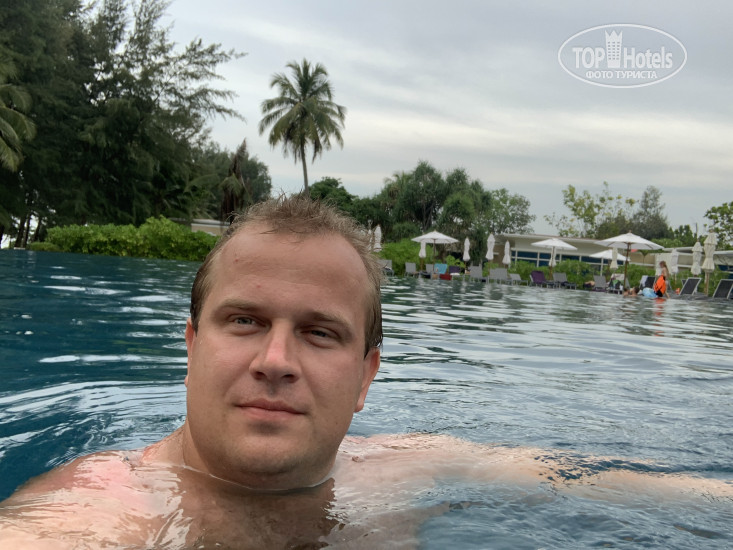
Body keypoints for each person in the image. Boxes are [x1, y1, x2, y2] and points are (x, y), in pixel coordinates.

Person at [1, 196, 731, 548]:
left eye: (320, 333)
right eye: (244, 321)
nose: (275, 362)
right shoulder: (101, 512)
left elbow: (607, 485)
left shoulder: (405, 466)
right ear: (191, 345)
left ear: (365, 376)